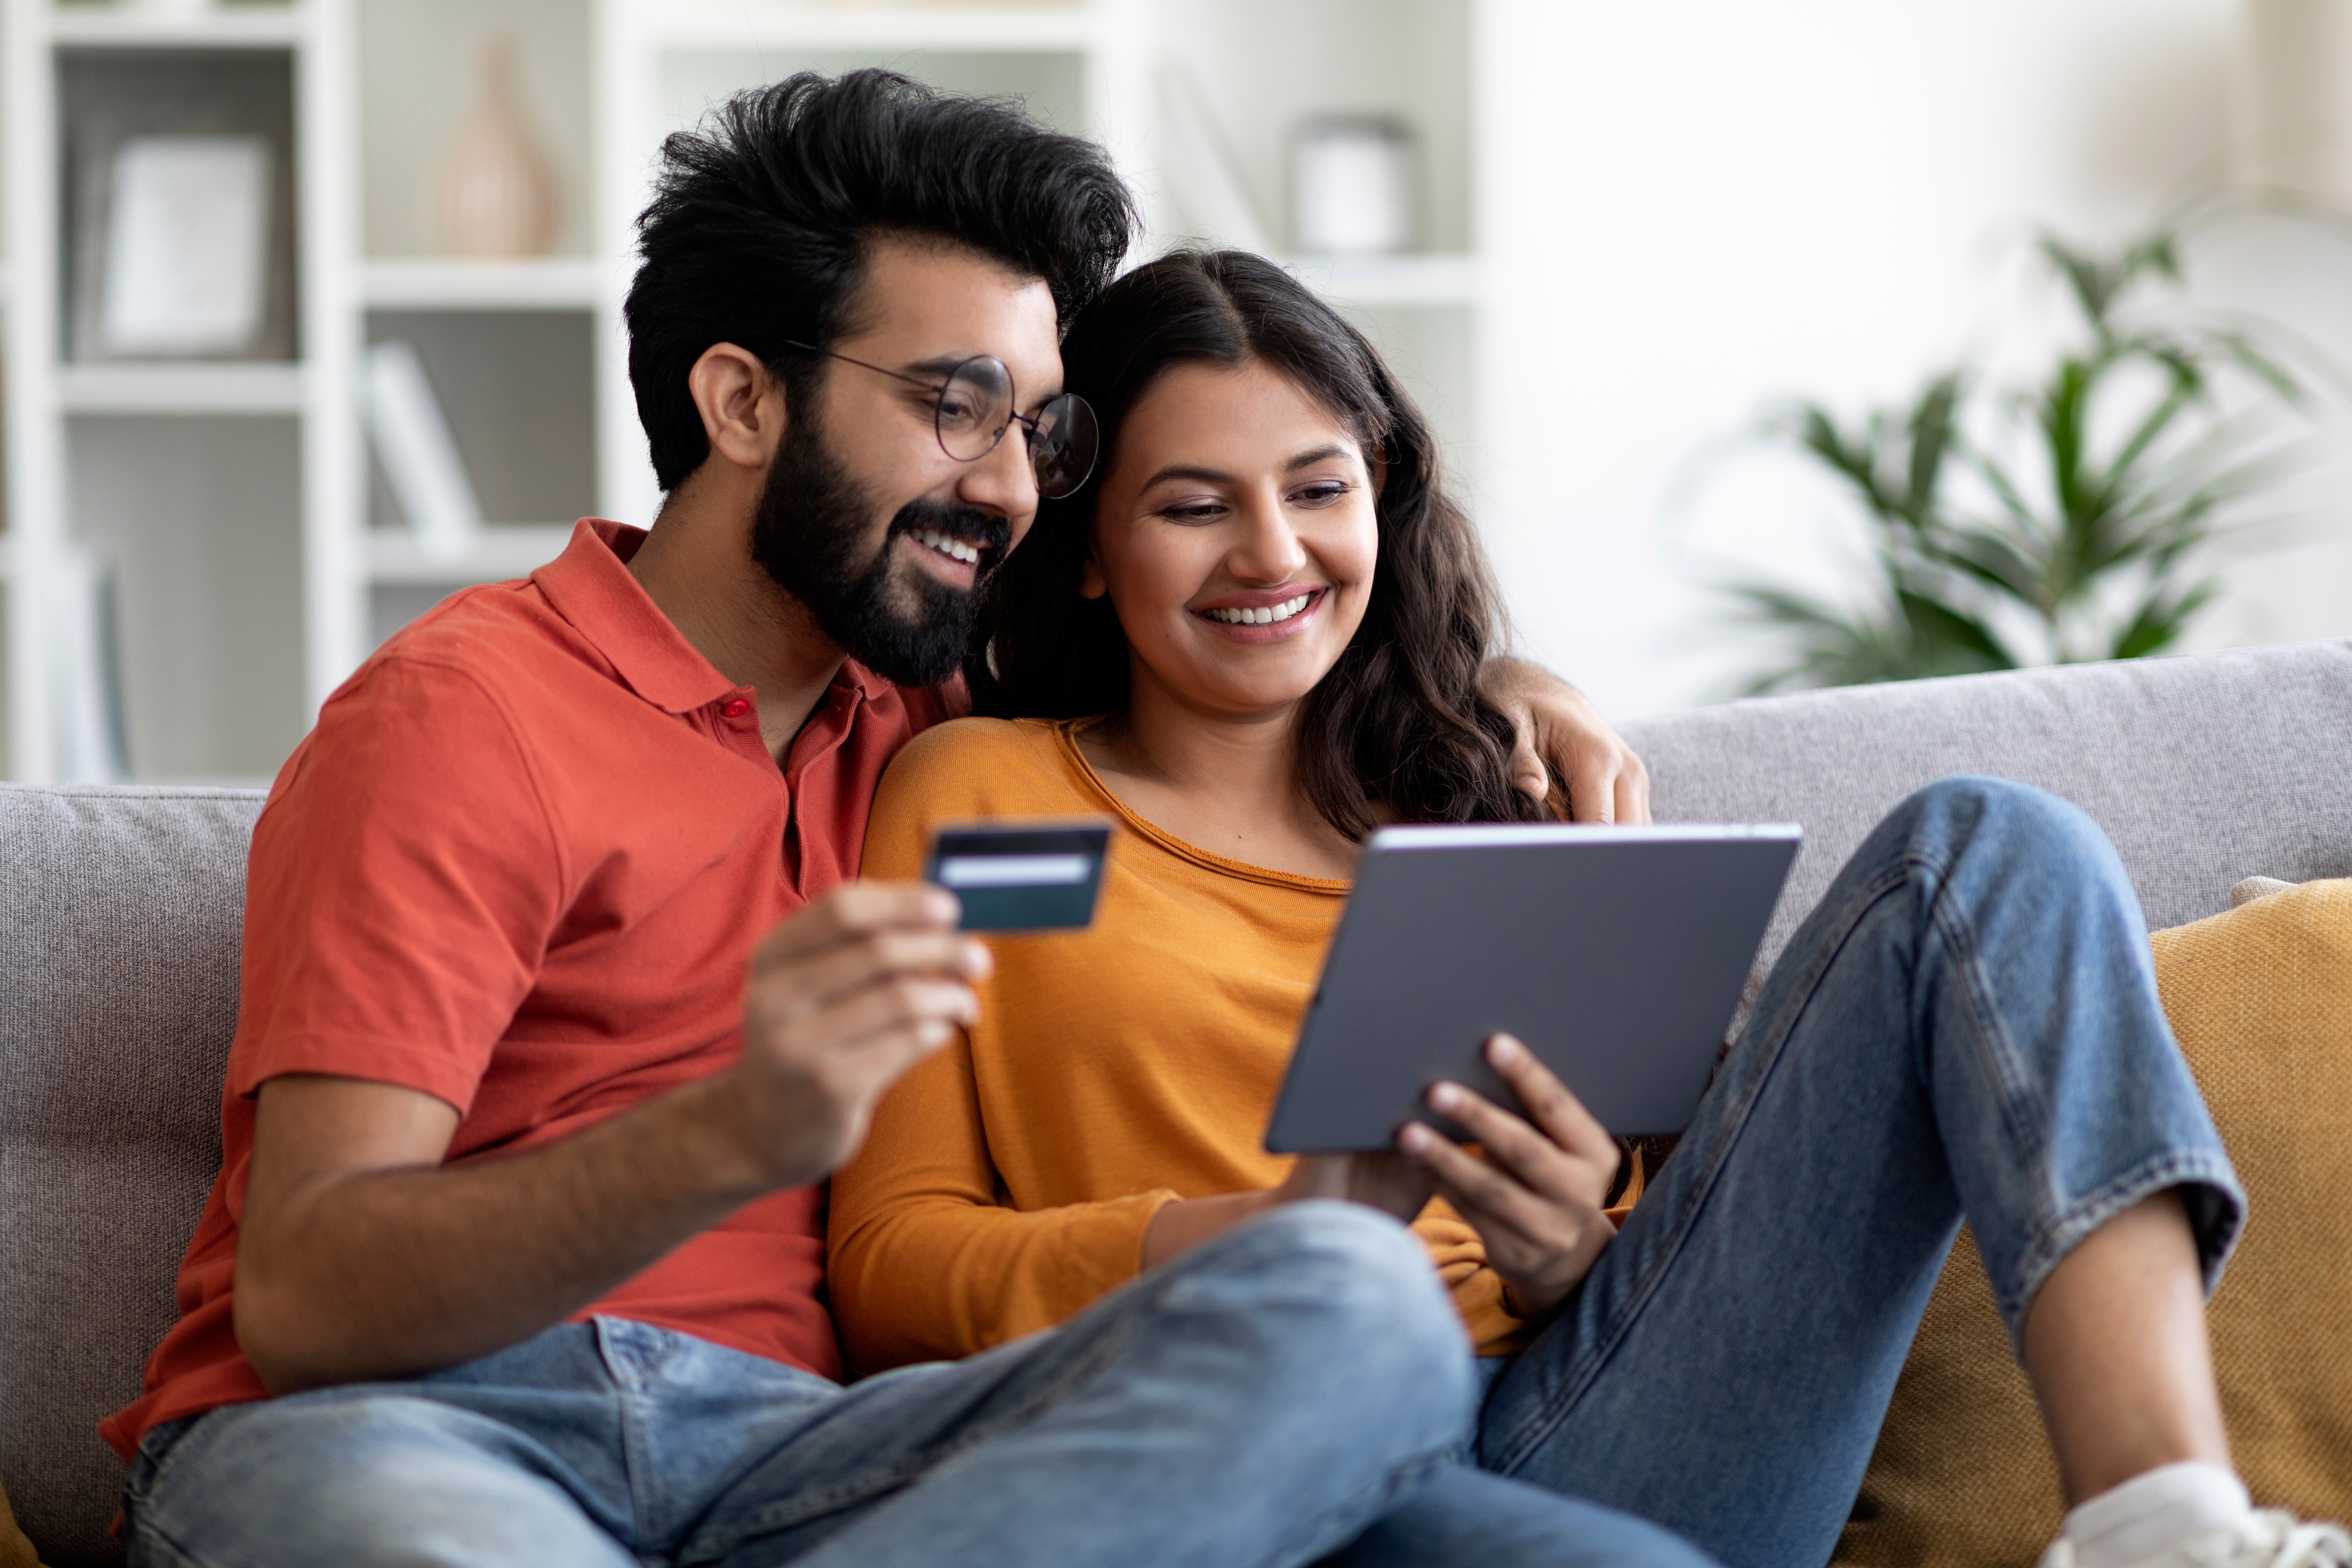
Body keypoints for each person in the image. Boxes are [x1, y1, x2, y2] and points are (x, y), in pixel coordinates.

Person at [100, 76, 1673, 1568]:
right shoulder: (465, 716)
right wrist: (736, 1135)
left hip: (805, 1456)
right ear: (741, 400)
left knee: (1355, 1304)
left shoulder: (925, 712)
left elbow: (1237, 617)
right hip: (410, 1429)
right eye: (953, 407)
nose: (1009, 490)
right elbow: (306, 1295)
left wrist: (1494, 683)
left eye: (1038, 430)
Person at [832, 249, 2352, 1568]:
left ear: (1384, 499)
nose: (1274, 555)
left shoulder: (1483, 788)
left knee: (1991, 843)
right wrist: (1247, 1244)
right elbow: (892, 1265)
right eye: (1191, 506)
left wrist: (1570, 1249)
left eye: (1319, 488)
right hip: (1262, 1443)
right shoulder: (984, 796)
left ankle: (2160, 1509)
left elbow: (1651, 1241)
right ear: (1091, 551)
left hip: (1604, 1425)